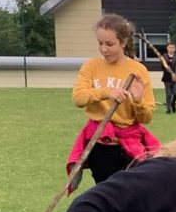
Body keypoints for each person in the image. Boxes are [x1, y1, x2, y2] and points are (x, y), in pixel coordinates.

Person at [67, 14, 158, 187]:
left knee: (132, 194)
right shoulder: (91, 66)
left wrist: (138, 101)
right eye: (100, 43)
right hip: (100, 145)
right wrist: (107, 92)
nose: (104, 49)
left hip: (129, 147)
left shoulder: (138, 71)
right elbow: (78, 98)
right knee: (108, 194)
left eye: (109, 44)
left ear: (123, 42)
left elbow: (146, 118)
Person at [159, 41, 176, 114]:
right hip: (167, 78)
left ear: (175, 49)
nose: (171, 49)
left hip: (174, 78)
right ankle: (168, 109)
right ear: (167, 48)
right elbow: (163, 67)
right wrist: (162, 63)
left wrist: (175, 75)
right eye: (169, 47)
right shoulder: (164, 56)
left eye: (172, 47)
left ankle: (173, 103)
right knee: (168, 94)